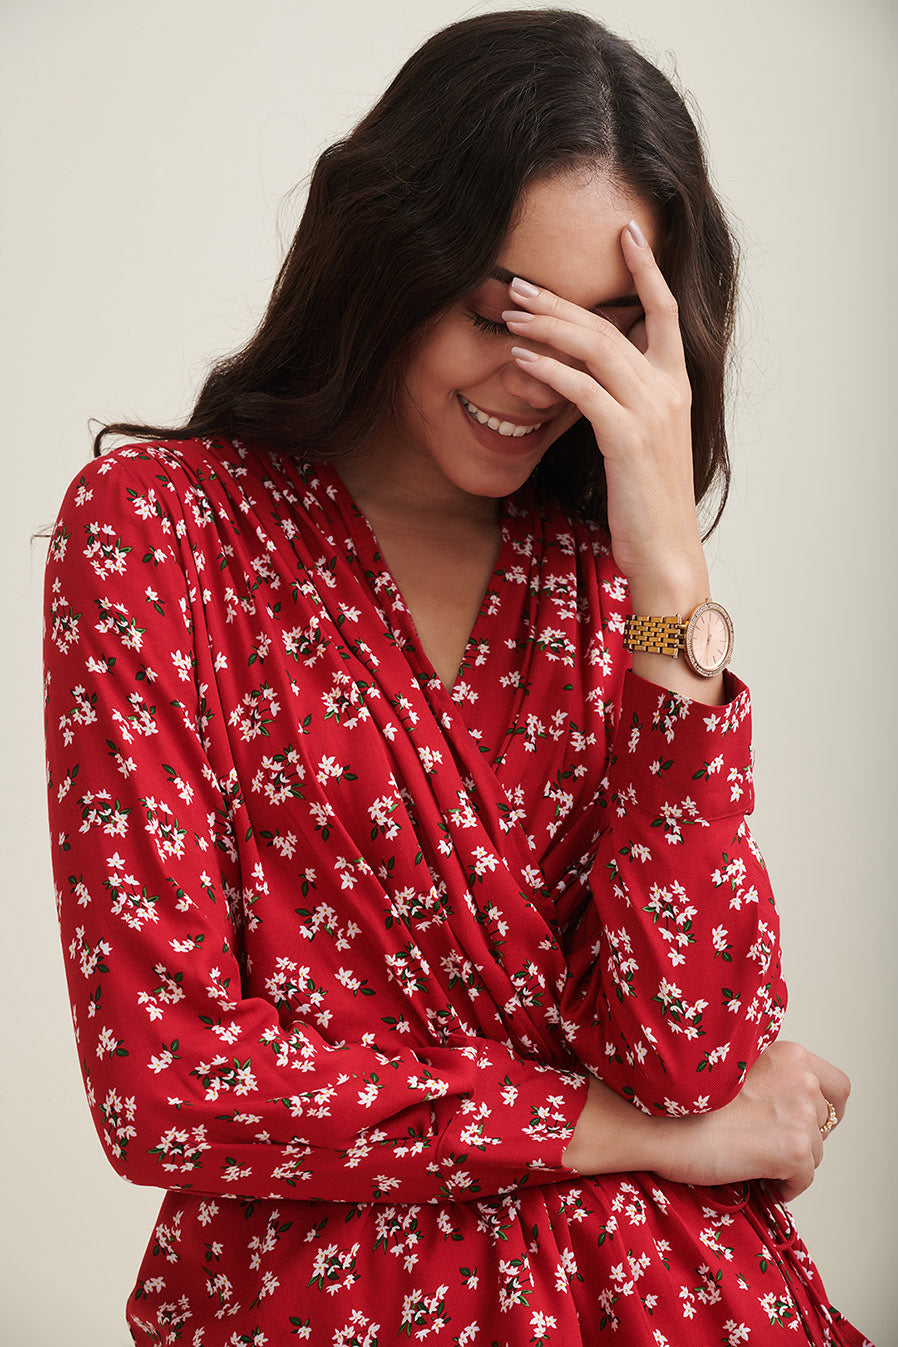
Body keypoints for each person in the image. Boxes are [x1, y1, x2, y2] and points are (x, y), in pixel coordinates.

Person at [43, 9, 870, 1344]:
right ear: (389, 253)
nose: (536, 378)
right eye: (500, 309)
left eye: (597, 335)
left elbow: (688, 1046)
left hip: (678, 1296)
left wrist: (671, 577)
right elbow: (168, 1085)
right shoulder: (160, 528)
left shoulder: (611, 591)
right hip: (324, 1302)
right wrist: (613, 1130)